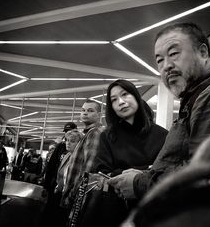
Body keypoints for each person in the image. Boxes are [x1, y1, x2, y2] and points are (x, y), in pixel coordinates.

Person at [108, 22, 210, 200]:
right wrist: (146, 175)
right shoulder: (197, 98)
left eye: (174, 53)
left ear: (203, 52)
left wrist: (139, 184)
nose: (166, 66)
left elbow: (203, 175)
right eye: (159, 60)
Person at [77, 79, 168, 227]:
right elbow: (100, 171)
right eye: (114, 100)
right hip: (113, 209)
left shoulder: (162, 135)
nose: (120, 102)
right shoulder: (107, 136)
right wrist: (144, 171)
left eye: (125, 94)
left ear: (136, 97)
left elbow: (167, 170)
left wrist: (137, 175)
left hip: (151, 209)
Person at [61, 99, 105, 209]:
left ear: (99, 115)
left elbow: (87, 170)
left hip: (78, 197)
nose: (85, 113)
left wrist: (72, 195)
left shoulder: (95, 133)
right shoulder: (88, 133)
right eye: (83, 110)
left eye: (90, 110)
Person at [40, 121, 78, 226]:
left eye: (70, 131)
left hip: (68, 193)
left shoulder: (78, 154)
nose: (67, 134)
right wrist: (46, 185)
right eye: (66, 132)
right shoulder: (61, 147)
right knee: (50, 214)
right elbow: (51, 166)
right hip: (56, 187)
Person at [46, 130, 84, 227]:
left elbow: (79, 180)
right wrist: (58, 187)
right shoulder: (67, 155)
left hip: (71, 197)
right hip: (59, 194)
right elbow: (60, 175)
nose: (68, 143)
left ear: (79, 143)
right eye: (67, 140)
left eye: (72, 141)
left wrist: (70, 195)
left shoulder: (81, 158)